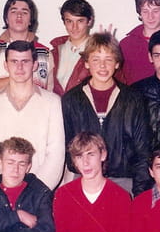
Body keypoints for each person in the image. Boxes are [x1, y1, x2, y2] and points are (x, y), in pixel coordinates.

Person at [61, 32, 152, 196]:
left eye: (108, 59)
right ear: (86, 63)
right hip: (84, 178)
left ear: (117, 63)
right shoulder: (71, 100)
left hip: (124, 180)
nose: (102, 66)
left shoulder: (133, 99)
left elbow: (143, 151)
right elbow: (68, 147)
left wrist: (139, 193)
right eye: (96, 60)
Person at [0, 40, 65, 191]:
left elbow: (56, 156)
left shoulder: (53, 102)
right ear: (6, 65)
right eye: (14, 61)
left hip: (39, 193)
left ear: (35, 65)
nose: (19, 67)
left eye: (25, 61)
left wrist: (35, 194)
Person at [0, 0, 52, 95]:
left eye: (24, 12)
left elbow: (50, 93)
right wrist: (21, 79)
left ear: (30, 20)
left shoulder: (45, 53)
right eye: (14, 11)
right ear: (6, 19)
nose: (19, 15)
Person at [49, 0, 95, 95]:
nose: (74, 27)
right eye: (69, 21)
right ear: (64, 22)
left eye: (80, 21)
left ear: (90, 21)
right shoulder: (53, 53)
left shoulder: (99, 51)